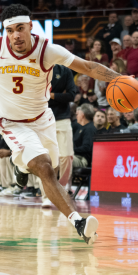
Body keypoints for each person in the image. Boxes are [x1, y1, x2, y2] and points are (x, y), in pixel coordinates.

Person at [0, 4, 134, 245]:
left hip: (43, 120)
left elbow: (88, 67)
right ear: (4, 32)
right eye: (10, 30)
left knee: (51, 170)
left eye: (20, 28)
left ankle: (21, 166)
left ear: (30, 26)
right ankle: (79, 222)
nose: (16, 35)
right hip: (13, 123)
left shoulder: (47, 50)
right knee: (45, 168)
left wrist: (119, 78)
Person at [48, 64, 77, 196]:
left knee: (66, 155)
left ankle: (63, 186)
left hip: (62, 117)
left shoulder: (65, 71)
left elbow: (71, 95)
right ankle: (48, 188)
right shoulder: (37, 69)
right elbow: (36, 95)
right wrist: (60, 95)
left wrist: (51, 95)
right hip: (43, 117)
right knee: (47, 158)